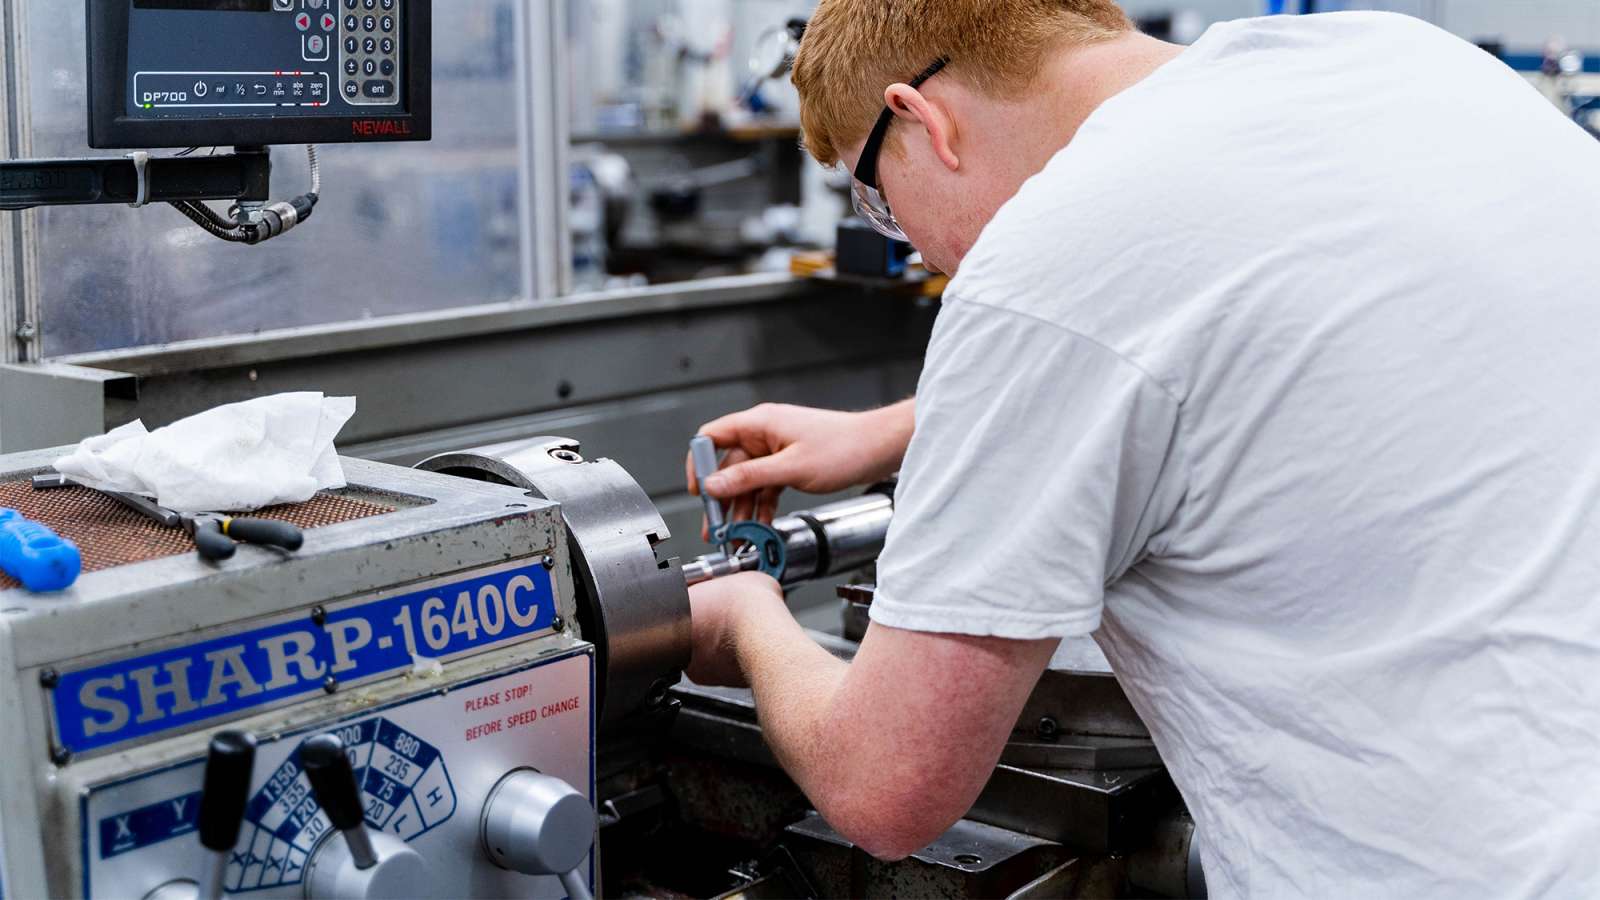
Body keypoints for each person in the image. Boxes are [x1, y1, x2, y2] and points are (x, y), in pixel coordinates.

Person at [683, 2, 1600, 896]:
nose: (915, 248)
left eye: (878, 199)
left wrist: (743, 616)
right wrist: (899, 427)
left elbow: (883, 788)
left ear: (923, 121)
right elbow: (1276, 325)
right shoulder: (1403, 62)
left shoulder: (1044, 266)